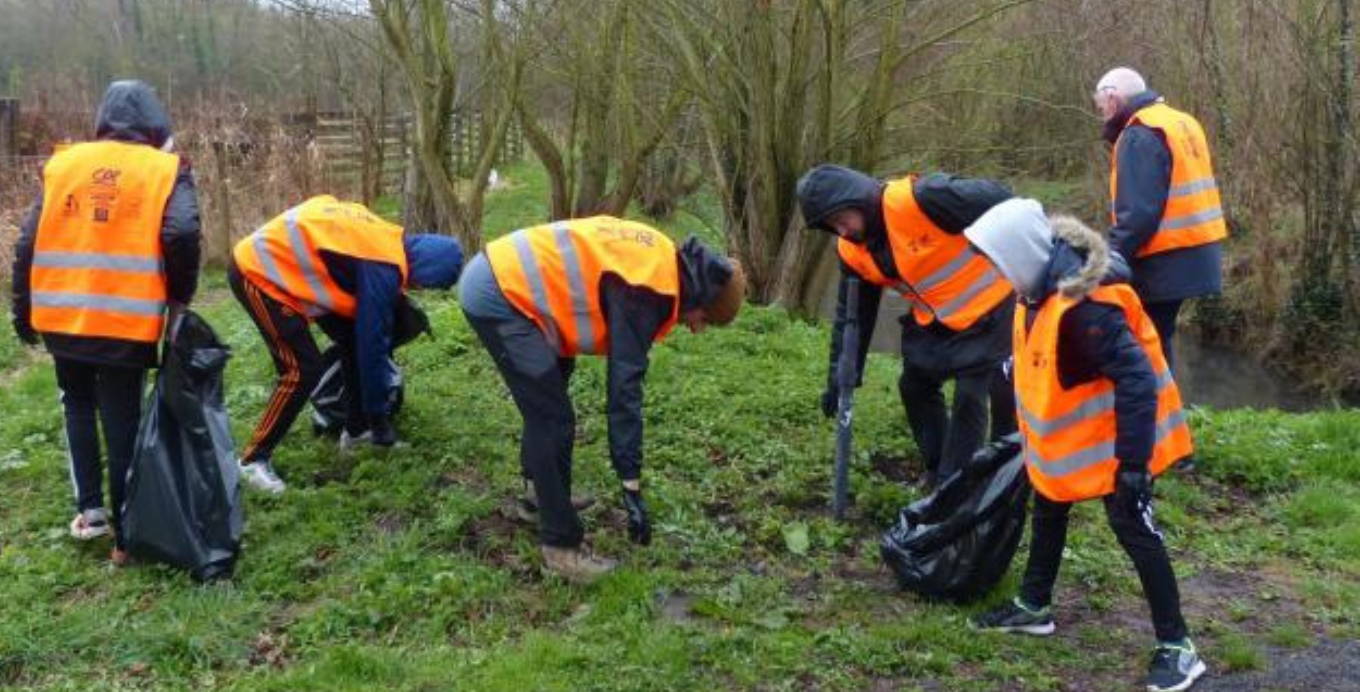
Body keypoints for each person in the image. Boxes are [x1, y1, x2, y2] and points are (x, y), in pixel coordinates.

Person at [964, 199, 1205, 692]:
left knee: (1133, 526)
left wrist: (1133, 467)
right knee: (1049, 505)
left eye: (998, 260)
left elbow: (1138, 380)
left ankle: (1178, 647)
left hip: (1123, 442)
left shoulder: (1085, 308)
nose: (995, 271)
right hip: (1071, 444)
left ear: (1023, 254)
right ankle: (1035, 606)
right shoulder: (1034, 292)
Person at [459, 217, 745, 583]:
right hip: (499, 294)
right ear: (702, 298)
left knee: (550, 398)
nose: (696, 327)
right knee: (552, 417)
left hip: (509, 281)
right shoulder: (648, 289)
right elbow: (624, 390)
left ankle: (541, 499)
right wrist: (631, 485)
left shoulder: (660, 260)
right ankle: (561, 549)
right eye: (704, 319)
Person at [11, 80, 201, 565]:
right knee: (123, 421)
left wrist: (23, 309)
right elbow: (180, 234)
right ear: (155, 122)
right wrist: (179, 299)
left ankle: (91, 514)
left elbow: (28, 242)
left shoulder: (63, 164)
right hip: (125, 319)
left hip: (61, 315)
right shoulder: (167, 169)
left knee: (76, 405)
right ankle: (126, 538)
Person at [796, 165, 1016, 486]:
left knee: (970, 395)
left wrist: (1028, 266)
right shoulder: (854, 251)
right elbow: (853, 316)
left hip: (993, 309)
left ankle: (955, 490)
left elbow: (1005, 201)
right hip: (939, 320)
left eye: (842, 220)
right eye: (833, 227)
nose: (842, 232)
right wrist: (840, 379)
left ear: (856, 200)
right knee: (914, 386)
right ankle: (940, 469)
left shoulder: (923, 198)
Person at [230, 195, 462, 494]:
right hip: (258, 271)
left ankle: (356, 432)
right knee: (301, 370)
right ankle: (253, 460)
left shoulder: (386, 239)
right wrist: (380, 421)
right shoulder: (382, 268)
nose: (415, 289)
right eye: (423, 286)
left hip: (290, 267)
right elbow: (373, 346)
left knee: (351, 339)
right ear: (425, 274)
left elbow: (361, 336)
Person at [1094, 67, 1227, 367]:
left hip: (1164, 258)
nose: (1100, 111)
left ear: (1112, 98)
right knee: (1158, 336)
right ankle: (1164, 408)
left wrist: (1107, 257)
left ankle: (1156, 410)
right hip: (1198, 251)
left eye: (1099, 103)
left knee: (1145, 341)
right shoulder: (1181, 121)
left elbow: (1138, 213)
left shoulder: (1139, 133)